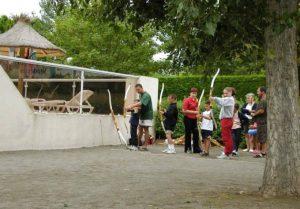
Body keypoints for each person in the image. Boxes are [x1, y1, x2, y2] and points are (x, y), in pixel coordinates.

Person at [126, 84, 153, 151]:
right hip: (142, 115)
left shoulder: (146, 95)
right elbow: (140, 106)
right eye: (136, 90)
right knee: (140, 129)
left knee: (146, 129)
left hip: (147, 115)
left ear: (142, 88)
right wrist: (132, 108)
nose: (137, 91)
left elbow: (141, 103)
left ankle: (145, 146)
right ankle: (136, 144)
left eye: (138, 89)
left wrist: (131, 106)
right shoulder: (141, 95)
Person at [210, 87, 235, 159]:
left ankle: (227, 153)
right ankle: (228, 152)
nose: (225, 94)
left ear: (230, 93)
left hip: (227, 120)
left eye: (226, 93)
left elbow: (222, 102)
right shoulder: (228, 99)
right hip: (226, 120)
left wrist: (214, 98)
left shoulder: (230, 99)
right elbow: (220, 105)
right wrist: (214, 100)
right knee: (227, 137)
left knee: (226, 137)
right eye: (224, 93)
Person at [182, 87, 202, 154]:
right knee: (188, 134)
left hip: (194, 119)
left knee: (196, 134)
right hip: (187, 118)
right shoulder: (187, 100)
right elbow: (184, 110)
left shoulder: (196, 100)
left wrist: (198, 114)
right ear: (190, 93)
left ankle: (196, 149)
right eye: (193, 93)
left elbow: (197, 110)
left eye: (195, 93)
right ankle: (188, 148)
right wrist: (194, 112)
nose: (194, 94)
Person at [251, 87, 267, 157]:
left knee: (261, 138)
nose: (257, 93)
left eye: (258, 91)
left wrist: (255, 114)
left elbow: (262, 111)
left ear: (262, 92)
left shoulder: (263, 100)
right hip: (261, 122)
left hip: (262, 122)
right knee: (262, 137)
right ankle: (262, 152)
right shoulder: (263, 100)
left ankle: (261, 152)